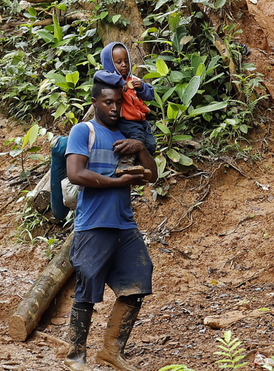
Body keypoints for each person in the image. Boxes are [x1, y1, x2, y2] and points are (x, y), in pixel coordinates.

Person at [63, 72, 158, 371]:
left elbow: (152, 176)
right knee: (87, 291)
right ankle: (75, 355)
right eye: (108, 103)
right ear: (95, 103)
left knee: (139, 281)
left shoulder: (126, 136)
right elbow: (76, 174)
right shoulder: (83, 130)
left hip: (124, 225)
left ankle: (111, 351)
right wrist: (116, 182)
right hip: (92, 224)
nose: (114, 108)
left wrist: (140, 148)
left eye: (118, 102)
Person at [99, 41, 156, 175]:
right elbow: (98, 75)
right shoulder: (110, 79)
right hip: (126, 120)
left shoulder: (133, 79)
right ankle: (124, 164)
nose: (124, 65)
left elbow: (150, 95)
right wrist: (118, 81)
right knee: (137, 138)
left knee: (151, 145)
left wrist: (141, 87)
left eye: (126, 61)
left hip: (141, 120)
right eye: (118, 62)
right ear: (110, 63)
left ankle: (137, 165)